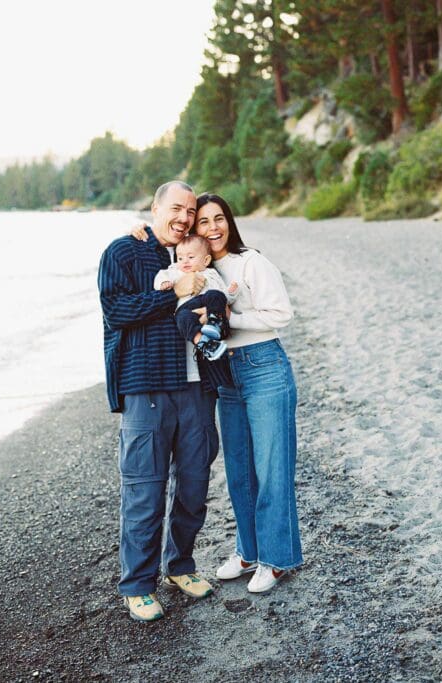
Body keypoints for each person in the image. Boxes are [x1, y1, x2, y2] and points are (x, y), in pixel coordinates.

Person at [133, 193, 301, 594]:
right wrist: (137, 231)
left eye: (219, 219)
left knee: (272, 469)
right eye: (203, 221)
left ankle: (276, 559)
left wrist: (227, 319)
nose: (212, 228)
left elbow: (282, 315)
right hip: (225, 374)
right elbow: (158, 247)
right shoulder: (189, 264)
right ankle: (248, 552)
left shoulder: (251, 262)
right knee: (239, 470)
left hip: (263, 368)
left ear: (230, 221)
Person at [98, 180, 219, 622]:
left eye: (191, 210)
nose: (184, 217)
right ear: (154, 207)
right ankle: (137, 584)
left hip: (196, 389)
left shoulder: (197, 252)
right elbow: (118, 312)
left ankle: (180, 566)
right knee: (145, 490)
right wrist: (173, 290)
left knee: (193, 486)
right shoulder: (123, 251)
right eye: (176, 208)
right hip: (146, 388)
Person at [154, 233, 238, 361]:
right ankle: (204, 344)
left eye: (191, 257)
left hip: (207, 302)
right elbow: (161, 275)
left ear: (206, 260)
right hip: (186, 306)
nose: (184, 261)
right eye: (180, 258)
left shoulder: (211, 273)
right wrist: (163, 283)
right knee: (182, 319)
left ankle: (215, 322)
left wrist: (230, 293)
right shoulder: (175, 270)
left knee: (215, 295)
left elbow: (223, 297)